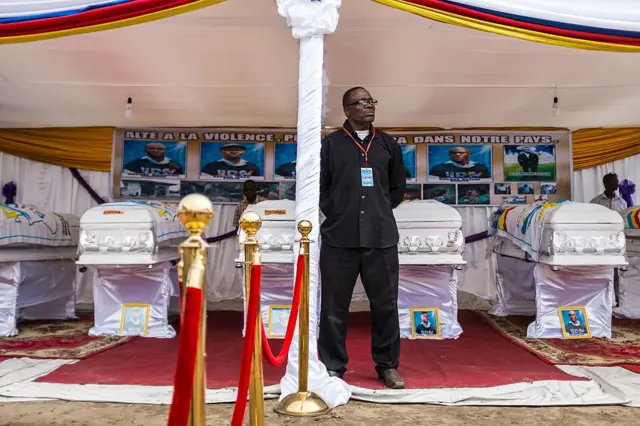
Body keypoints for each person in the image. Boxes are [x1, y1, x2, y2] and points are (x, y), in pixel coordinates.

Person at [319, 86, 406, 389]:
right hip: (339, 238)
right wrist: (339, 211)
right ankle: (332, 367)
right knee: (333, 306)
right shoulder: (331, 145)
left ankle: (387, 366)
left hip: (381, 238)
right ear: (347, 109)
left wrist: (378, 211)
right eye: (362, 102)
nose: (369, 106)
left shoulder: (387, 144)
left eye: (372, 101)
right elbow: (321, 189)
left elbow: (397, 187)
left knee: (385, 305)